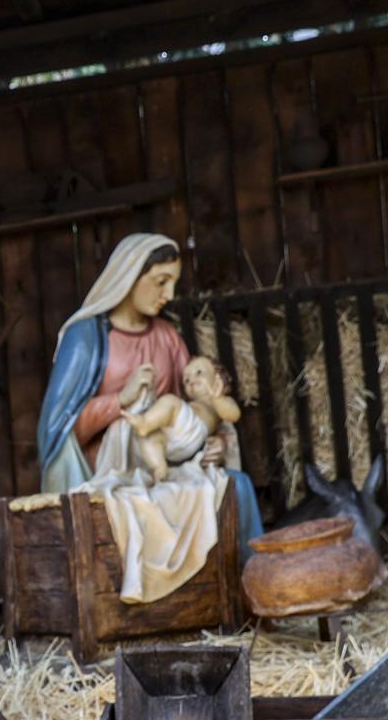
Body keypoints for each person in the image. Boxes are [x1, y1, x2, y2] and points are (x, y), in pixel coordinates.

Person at [36, 232, 265, 554]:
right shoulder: (86, 337)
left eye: (173, 282)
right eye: (161, 281)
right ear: (130, 276)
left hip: (168, 461)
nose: (169, 294)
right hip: (108, 470)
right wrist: (121, 401)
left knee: (237, 487)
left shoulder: (167, 337)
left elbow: (195, 407)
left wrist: (215, 441)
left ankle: (252, 578)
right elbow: (60, 430)